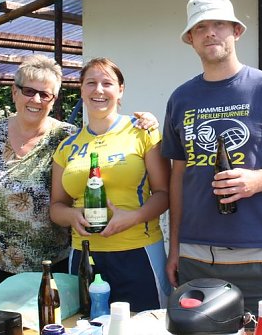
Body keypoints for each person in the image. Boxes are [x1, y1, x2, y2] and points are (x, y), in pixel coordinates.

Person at [161, 0, 262, 330]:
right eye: (200, 27)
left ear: (236, 31)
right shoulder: (180, 98)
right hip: (195, 257)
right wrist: (174, 247)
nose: (210, 32)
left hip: (261, 255)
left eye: (219, 24)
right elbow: (179, 177)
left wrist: (257, 180)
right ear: (190, 39)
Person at [0, 54, 158, 290]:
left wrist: (148, 121)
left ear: (53, 100)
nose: (36, 100)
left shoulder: (66, 137)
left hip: (52, 261)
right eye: (29, 91)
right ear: (14, 92)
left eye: (45, 94)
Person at [50, 57, 172, 312]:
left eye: (107, 83)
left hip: (138, 252)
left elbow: (164, 193)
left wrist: (134, 217)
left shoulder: (143, 132)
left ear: (120, 90)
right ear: (81, 89)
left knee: (144, 329)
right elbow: (56, 207)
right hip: (84, 255)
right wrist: (72, 215)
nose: (99, 90)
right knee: (85, 328)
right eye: (91, 83)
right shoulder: (67, 146)